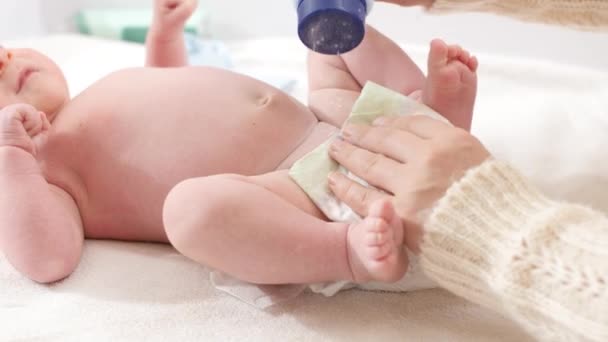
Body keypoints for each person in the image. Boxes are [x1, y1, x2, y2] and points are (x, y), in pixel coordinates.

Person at [0, 0, 477, 289]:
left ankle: (428, 112)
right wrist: (13, 158)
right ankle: (346, 252)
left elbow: (170, 89)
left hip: (331, 123)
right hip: (292, 192)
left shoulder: (95, 90)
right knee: (190, 209)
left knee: (327, 41)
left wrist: (163, 36)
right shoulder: (43, 174)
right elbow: (46, 258)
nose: (5, 57)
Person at [325, 0, 608, 340]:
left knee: (242, 206)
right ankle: (429, 111)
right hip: (325, 158)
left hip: (327, 191)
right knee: (332, 51)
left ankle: (345, 249)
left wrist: (490, 225)